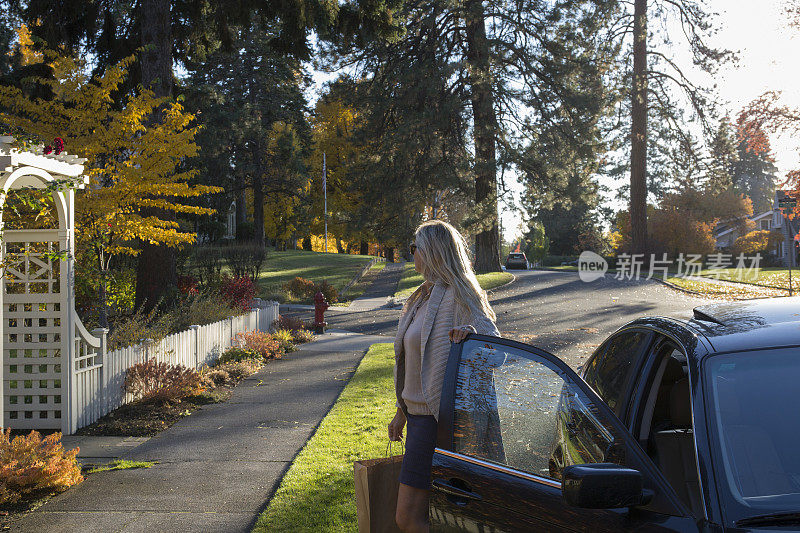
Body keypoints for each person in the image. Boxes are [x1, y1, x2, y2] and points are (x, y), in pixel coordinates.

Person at [388, 220, 500, 533]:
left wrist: (472, 335)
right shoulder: (420, 297)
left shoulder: (462, 295)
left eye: (415, 248)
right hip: (418, 419)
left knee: (408, 518)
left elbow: (497, 351)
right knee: (426, 517)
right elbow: (412, 363)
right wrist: (401, 412)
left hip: (439, 423)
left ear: (433, 252)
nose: (412, 254)